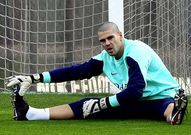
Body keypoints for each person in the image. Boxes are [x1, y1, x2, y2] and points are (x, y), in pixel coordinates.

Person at [6, 22, 188, 125]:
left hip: (161, 97)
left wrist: (102, 103)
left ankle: (175, 114)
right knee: (87, 103)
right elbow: (76, 71)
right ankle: (30, 114)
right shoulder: (104, 57)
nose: (107, 43)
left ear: (120, 36)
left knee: (166, 105)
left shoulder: (136, 52)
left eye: (111, 38)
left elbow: (135, 90)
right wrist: (34, 78)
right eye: (103, 40)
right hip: (135, 102)